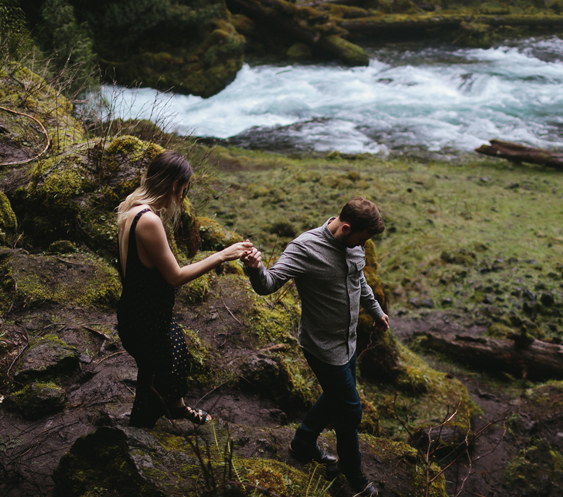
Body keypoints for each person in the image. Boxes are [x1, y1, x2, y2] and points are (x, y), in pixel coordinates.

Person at [240, 196, 389, 497]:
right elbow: (267, 285)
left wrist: (376, 311)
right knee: (350, 413)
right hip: (322, 347)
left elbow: (360, 281)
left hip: (348, 342)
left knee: (336, 397)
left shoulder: (354, 244)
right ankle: (354, 475)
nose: (363, 245)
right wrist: (255, 268)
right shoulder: (305, 248)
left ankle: (303, 443)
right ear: (346, 228)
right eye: (361, 238)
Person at [116, 150, 253, 428]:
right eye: (184, 189)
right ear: (175, 185)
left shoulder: (131, 208)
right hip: (145, 321)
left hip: (142, 312)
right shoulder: (149, 221)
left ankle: (177, 406)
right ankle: (137, 436)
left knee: (178, 350)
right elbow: (175, 277)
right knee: (151, 385)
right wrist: (222, 255)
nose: (183, 197)